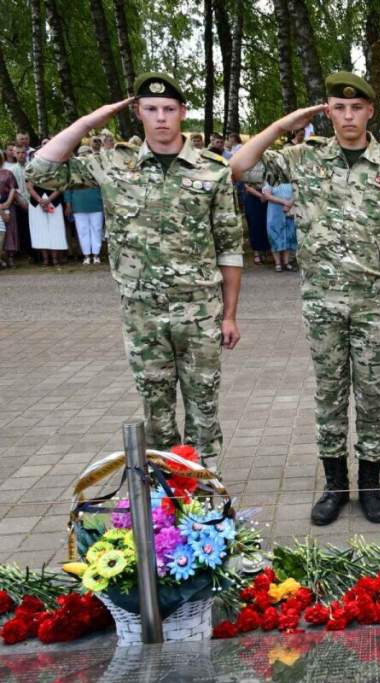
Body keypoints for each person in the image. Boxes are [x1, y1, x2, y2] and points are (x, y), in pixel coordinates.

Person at [26, 72, 244, 467]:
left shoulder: (212, 170)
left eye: (168, 109)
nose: (160, 117)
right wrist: (92, 120)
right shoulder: (111, 164)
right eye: (150, 109)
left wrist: (229, 315)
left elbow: (229, 248)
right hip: (142, 315)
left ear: (182, 113)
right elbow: (40, 171)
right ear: (138, 114)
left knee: (204, 409)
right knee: (156, 413)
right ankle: (164, 502)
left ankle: (204, 492)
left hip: (200, 313)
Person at [230, 71, 380, 526]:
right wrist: (283, 124)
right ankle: (335, 485)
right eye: (339, 107)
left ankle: (370, 485)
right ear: (327, 111)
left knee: (371, 395)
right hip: (322, 302)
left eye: (357, 107)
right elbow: (239, 167)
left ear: (371, 111)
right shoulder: (302, 158)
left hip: (375, 304)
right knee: (330, 394)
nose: (348, 115)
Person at [64, 146, 105, 264]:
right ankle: (86, 255)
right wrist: (68, 204)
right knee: (82, 230)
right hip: (78, 202)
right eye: (82, 153)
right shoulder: (72, 167)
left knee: (96, 229)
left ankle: (96, 254)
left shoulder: (97, 166)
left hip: (95, 201)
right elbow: (67, 187)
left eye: (87, 153)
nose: (84, 156)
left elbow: (104, 185)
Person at [26, 179, 66, 266]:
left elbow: (60, 187)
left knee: (56, 230)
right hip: (36, 203)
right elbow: (29, 187)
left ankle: (55, 259)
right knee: (41, 231)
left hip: (54, 201)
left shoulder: (56, 169)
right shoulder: (33, 167)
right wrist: (40, 201)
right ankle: (45, 259)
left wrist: (48, 200)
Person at [262, 179, 297, 272]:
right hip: (275, 211)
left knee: (289, 234)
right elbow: (266, 195)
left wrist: (290, 204)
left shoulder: (293, 177)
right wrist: (285, 202)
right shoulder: (272, 178)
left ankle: (286, 262)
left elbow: (298, 191)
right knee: (275, 234)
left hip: (290, 210)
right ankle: (277, 263)